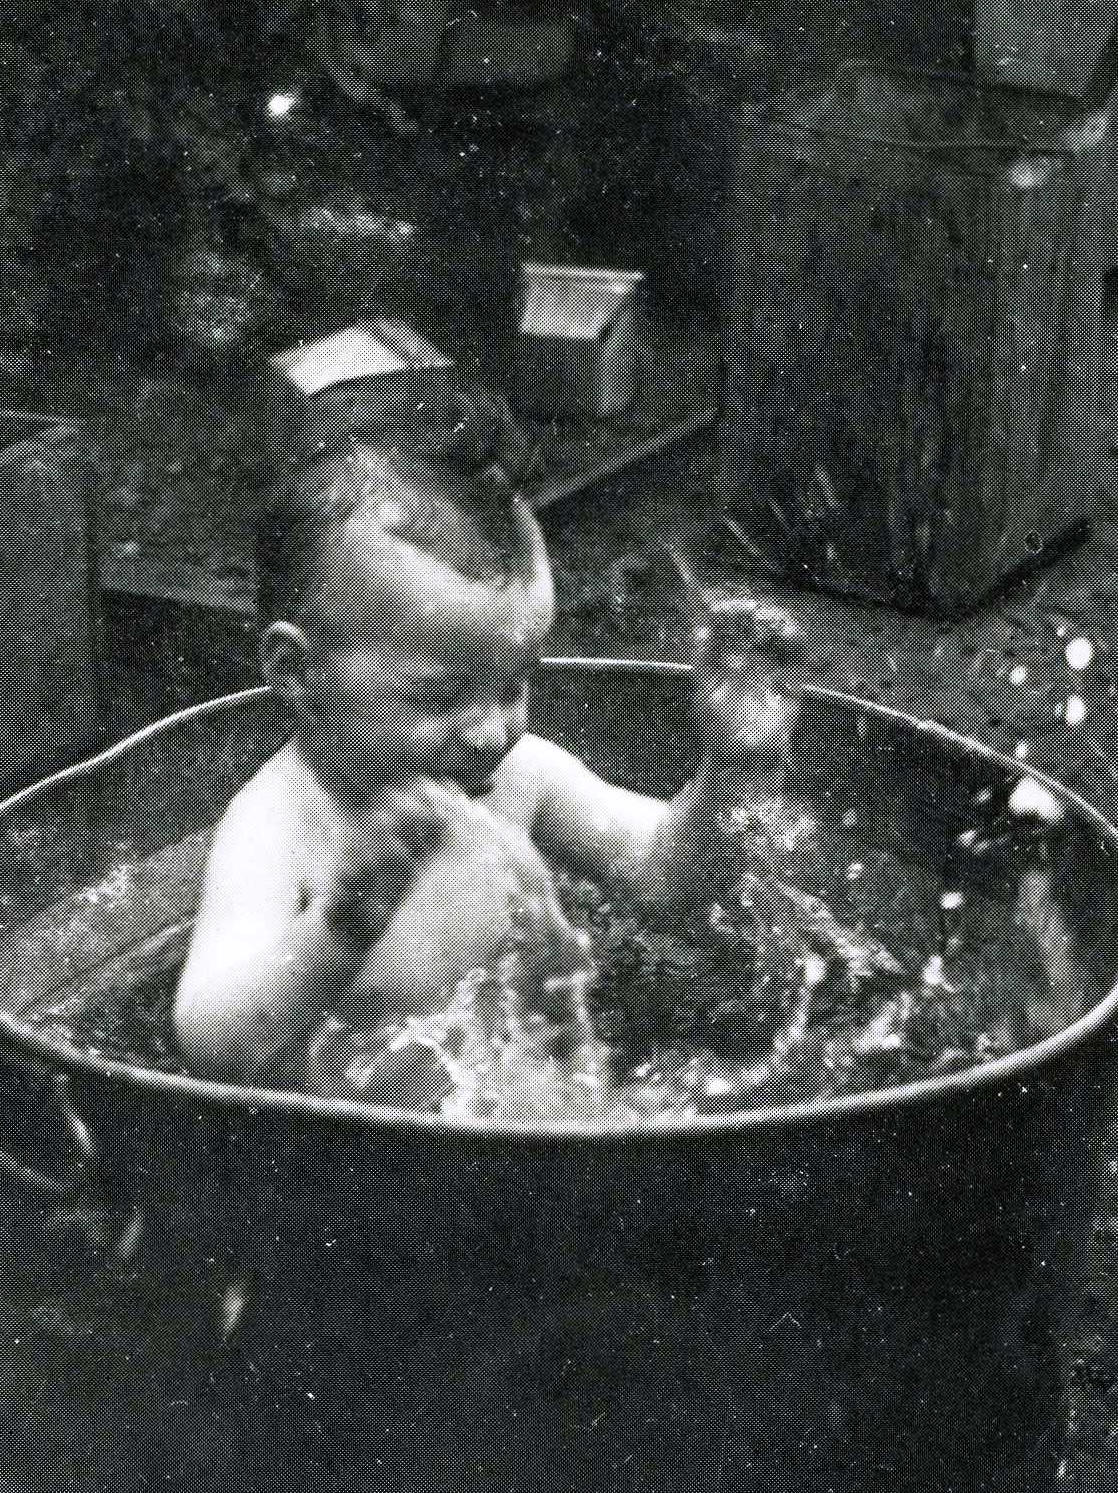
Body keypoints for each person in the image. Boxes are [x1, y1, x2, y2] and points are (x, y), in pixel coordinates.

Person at [171, 440, 801, 1104]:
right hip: (365, 1160)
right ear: (297, 671)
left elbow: (671, 875)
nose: (493, 730)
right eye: (440, 696)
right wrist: (341, 924)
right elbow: (212, 1040)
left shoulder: (520, 776)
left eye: (515, 683)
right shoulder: (280, 824)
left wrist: (739, 765)